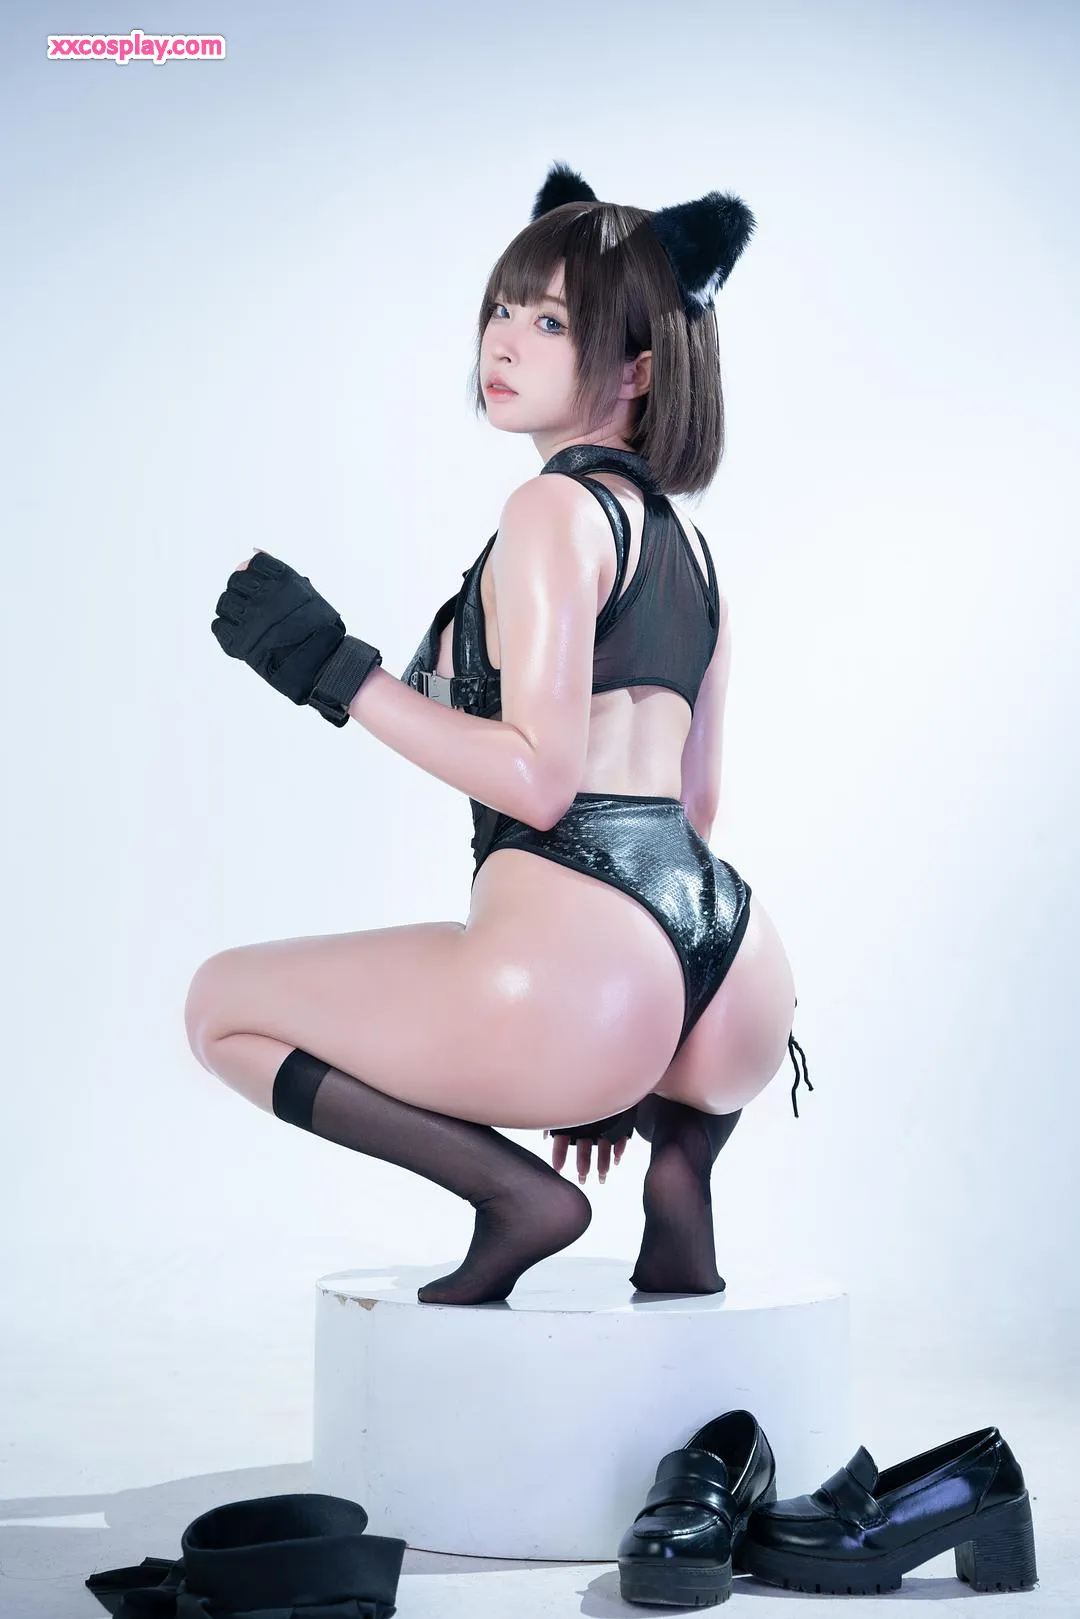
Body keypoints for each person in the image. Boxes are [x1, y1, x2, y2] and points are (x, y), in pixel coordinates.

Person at [188, 160, 810, 1308]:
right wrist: (638, 1029)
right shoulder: (693, 547)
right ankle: (682, 1172)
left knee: (220, 1004)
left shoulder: (551, 510)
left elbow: (539, 778)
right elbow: (696, 803)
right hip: (735, 972)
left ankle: (516, 1196)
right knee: (633, 983)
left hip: (586, 968)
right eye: (503, 308)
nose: (504, 340)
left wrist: (336, 669)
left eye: (552, 321)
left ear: (638, 368)